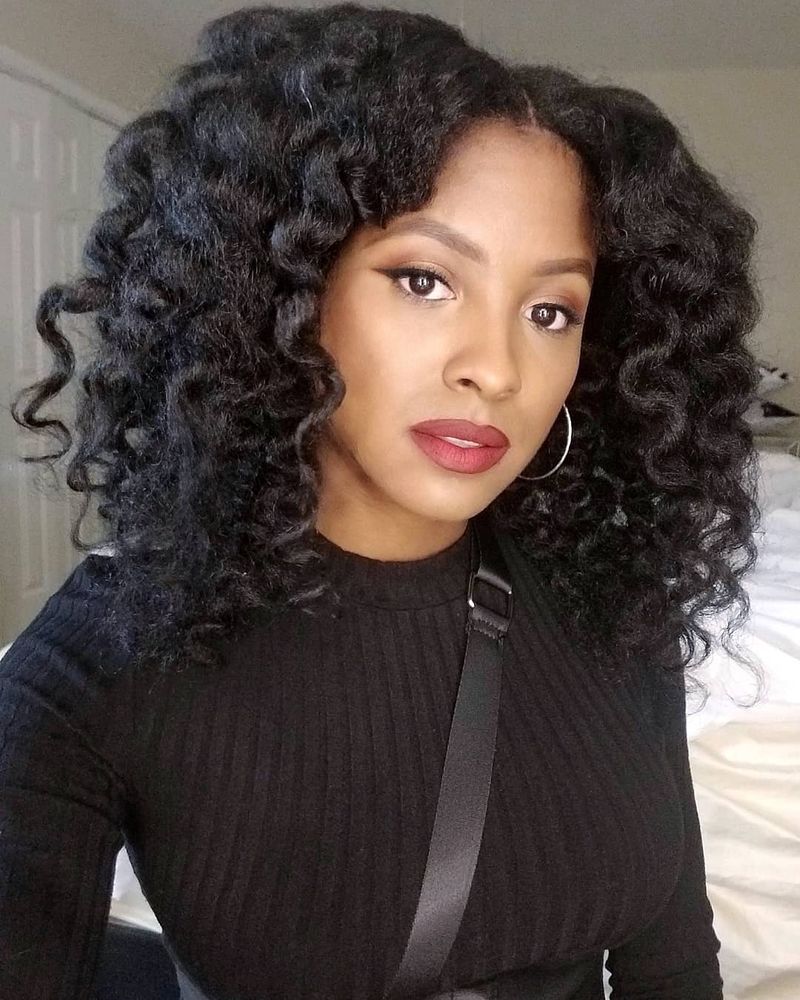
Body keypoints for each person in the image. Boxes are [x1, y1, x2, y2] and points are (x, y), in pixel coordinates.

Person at [0, 3, 765, 999]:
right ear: (283, 292)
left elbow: (673, 962)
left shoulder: (607, 592)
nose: (496, 368)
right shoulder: (97, 663)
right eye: (423, 280)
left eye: (549, 310)